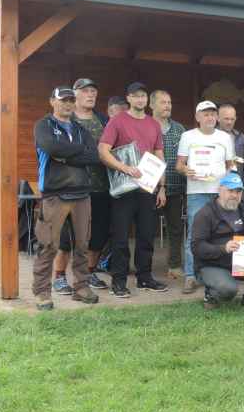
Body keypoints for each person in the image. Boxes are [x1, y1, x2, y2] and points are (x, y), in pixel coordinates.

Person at [31, 86, 101, 310]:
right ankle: (42, 292)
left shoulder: (80, 129)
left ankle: (81, 287)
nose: (68, 104)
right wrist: (77, 151)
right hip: (54, 195)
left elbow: (94, 156)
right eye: (63, 100)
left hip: (82, 195)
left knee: (82, 245)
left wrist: (65, 155)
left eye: (71, 100)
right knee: (48, 245)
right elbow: (50, 146)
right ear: (53, 101)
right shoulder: (43, 126)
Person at [98, 81, 168, 298]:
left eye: (143, 96)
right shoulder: (117, 121)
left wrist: (162, 187)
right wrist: (124, 168)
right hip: (124, 189)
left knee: (146, 235)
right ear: (128, 98)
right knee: (120, 237)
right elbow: (103, 151)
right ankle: (118, 281)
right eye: (136, 96)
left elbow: (159, 155)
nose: (140, 99)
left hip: (147, 189)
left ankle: (144, 277)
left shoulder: (153, 124)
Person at [51, 78, 111, 294]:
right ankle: (59, 276)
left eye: (93, 91)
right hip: (71, 188)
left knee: (98, 235)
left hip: (101, 187)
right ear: (74, 95)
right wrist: (90, 155)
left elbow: (109, 150)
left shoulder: (103, 120)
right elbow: (60, 152)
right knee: (67, 237)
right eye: (85, 91)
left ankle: (89, 272)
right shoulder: (64, 120)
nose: (91, 94)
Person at [191, 172, 244, 309]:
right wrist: (223, 248)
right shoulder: (205, 214)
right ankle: (211, 294)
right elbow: (196, 247)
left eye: (238, 191)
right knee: (228, 290)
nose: (234, 195)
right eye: (230, 191)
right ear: (220, 190)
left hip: (241, 261)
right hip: (213, 264)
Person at [176, 101, 235, 294]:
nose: (210, 117)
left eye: (213, 114)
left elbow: (231, 165)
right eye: (206, 114)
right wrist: (186, 170)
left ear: (217, 117)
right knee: (194, 234)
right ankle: (191, 276)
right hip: (197, 192)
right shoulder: (187, 136)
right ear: (197, 117)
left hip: (220, 193)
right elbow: (179, 165)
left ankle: (218, 272)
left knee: (222, 232)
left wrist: (230, 183)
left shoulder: (225, 137)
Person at [150, 90, 186, 279]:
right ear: (152, 105)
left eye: (169, 102)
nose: (167, 106)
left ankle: (174, 265)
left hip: (175, 186)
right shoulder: (145, 126)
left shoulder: (179, 129)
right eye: (163, 102)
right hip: (149, 187)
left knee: (176, 229)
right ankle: (145, 267)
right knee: (147, 229)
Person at [217, 103, 244, 189]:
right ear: (218, 118)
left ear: (235, 119)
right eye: (226, 119)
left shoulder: (242, 138)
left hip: (237, 185)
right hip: (215, 185)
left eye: (232, 119)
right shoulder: (209, 137)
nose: (229, 122)